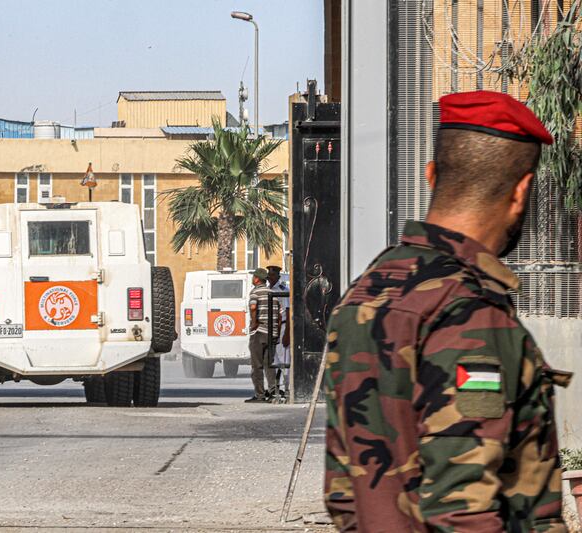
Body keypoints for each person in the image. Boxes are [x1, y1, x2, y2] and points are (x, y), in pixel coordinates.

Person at [324, 91, 571, 531]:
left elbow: (344, 495)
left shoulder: (365, 293)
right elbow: (462, 511)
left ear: (431, 174)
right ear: (522, 191)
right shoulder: (472, 313)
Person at [245, 268, 279, 403]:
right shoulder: (273, 293)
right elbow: (280, 313)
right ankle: (273, 393)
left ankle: (260, 395)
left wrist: (254, 323)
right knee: (269, 365)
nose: (252, 279)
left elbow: (253, 307)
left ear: (257, 279)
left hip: (259, 333)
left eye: (254, 277)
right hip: (272, 333)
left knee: (257, 366)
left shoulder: (255, 292)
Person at [267, 265, 290, 402]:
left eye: (272, 275)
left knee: (284, 358)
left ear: (278, 276)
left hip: (282, 326)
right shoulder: (268, 290)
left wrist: (287, 333)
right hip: (271, 327)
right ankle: (276, 388)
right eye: (269, 275)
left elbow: (288, 311)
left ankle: (287, 388)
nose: (270, 277)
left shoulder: (283, 290)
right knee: (273, 359)